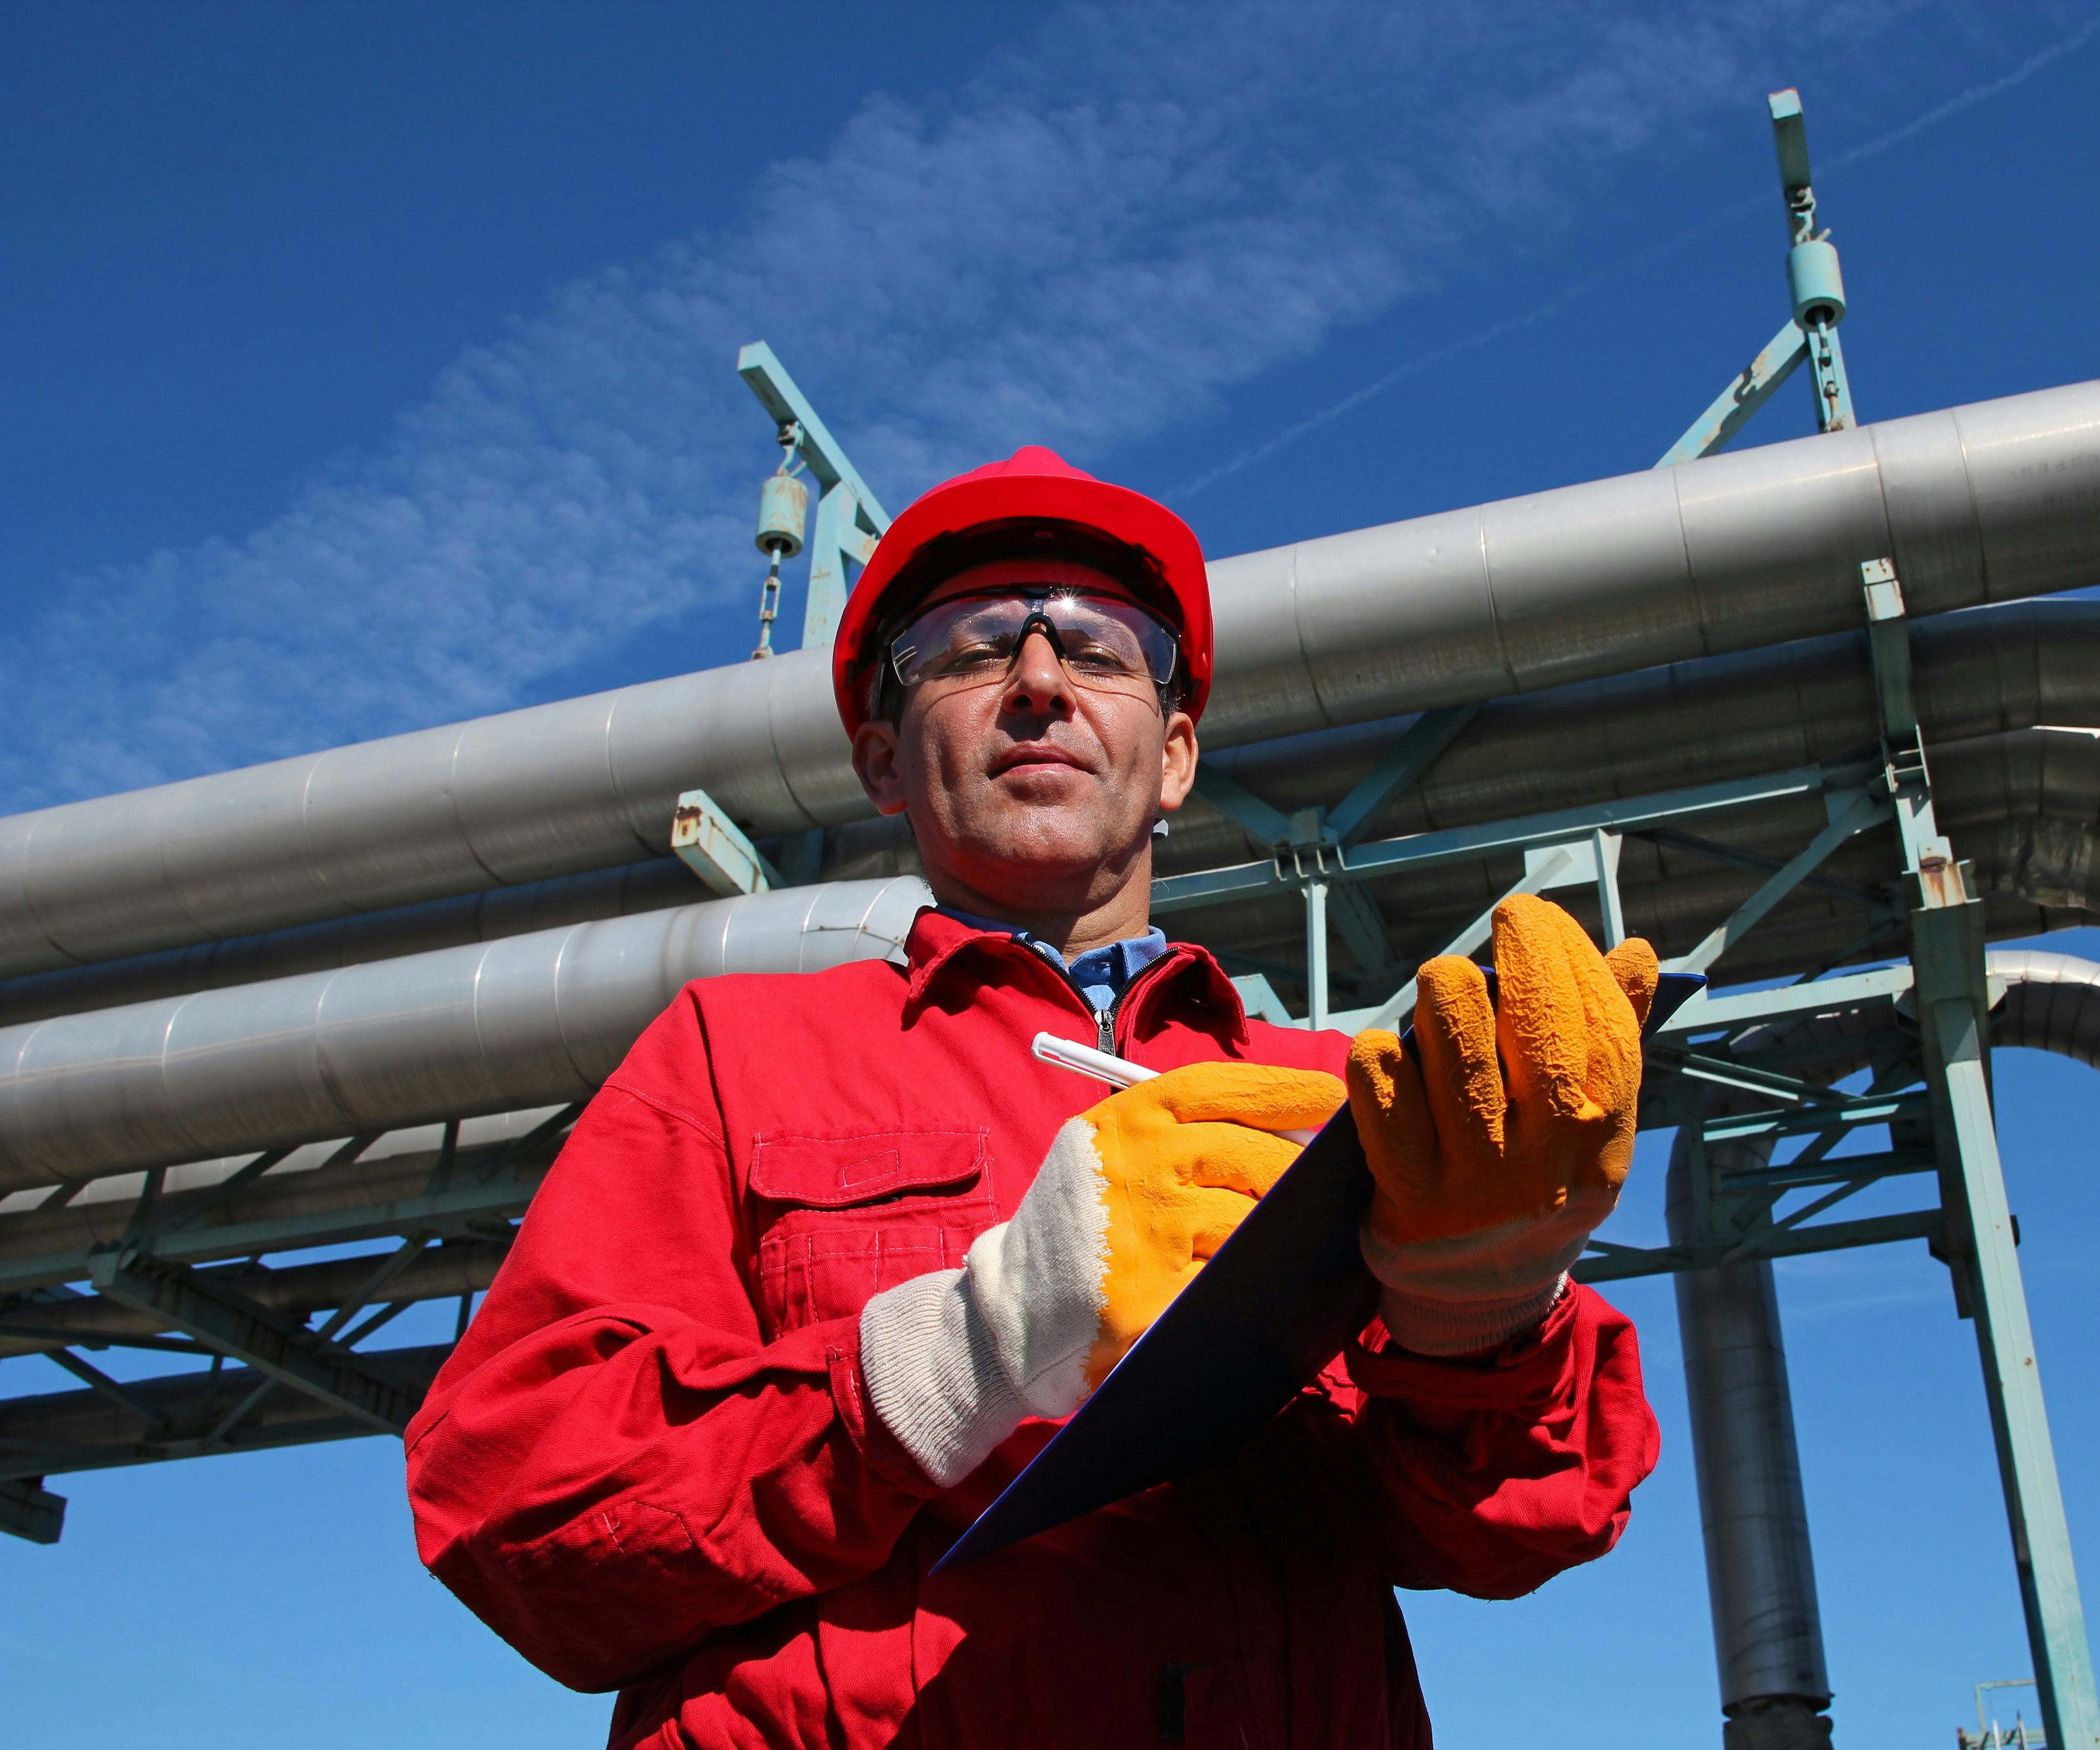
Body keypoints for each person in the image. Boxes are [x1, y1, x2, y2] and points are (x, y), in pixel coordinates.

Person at [405, 446, 1662, 1749]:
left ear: (1173, 754)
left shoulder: (1334, 1099)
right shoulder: (732, 1058)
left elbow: (1518, 1527)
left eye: (1104, 650)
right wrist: (955, 1355)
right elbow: (513, 1508)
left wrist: (1488, 1310)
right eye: (968, 647)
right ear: (883, 758)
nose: (1041, 682)